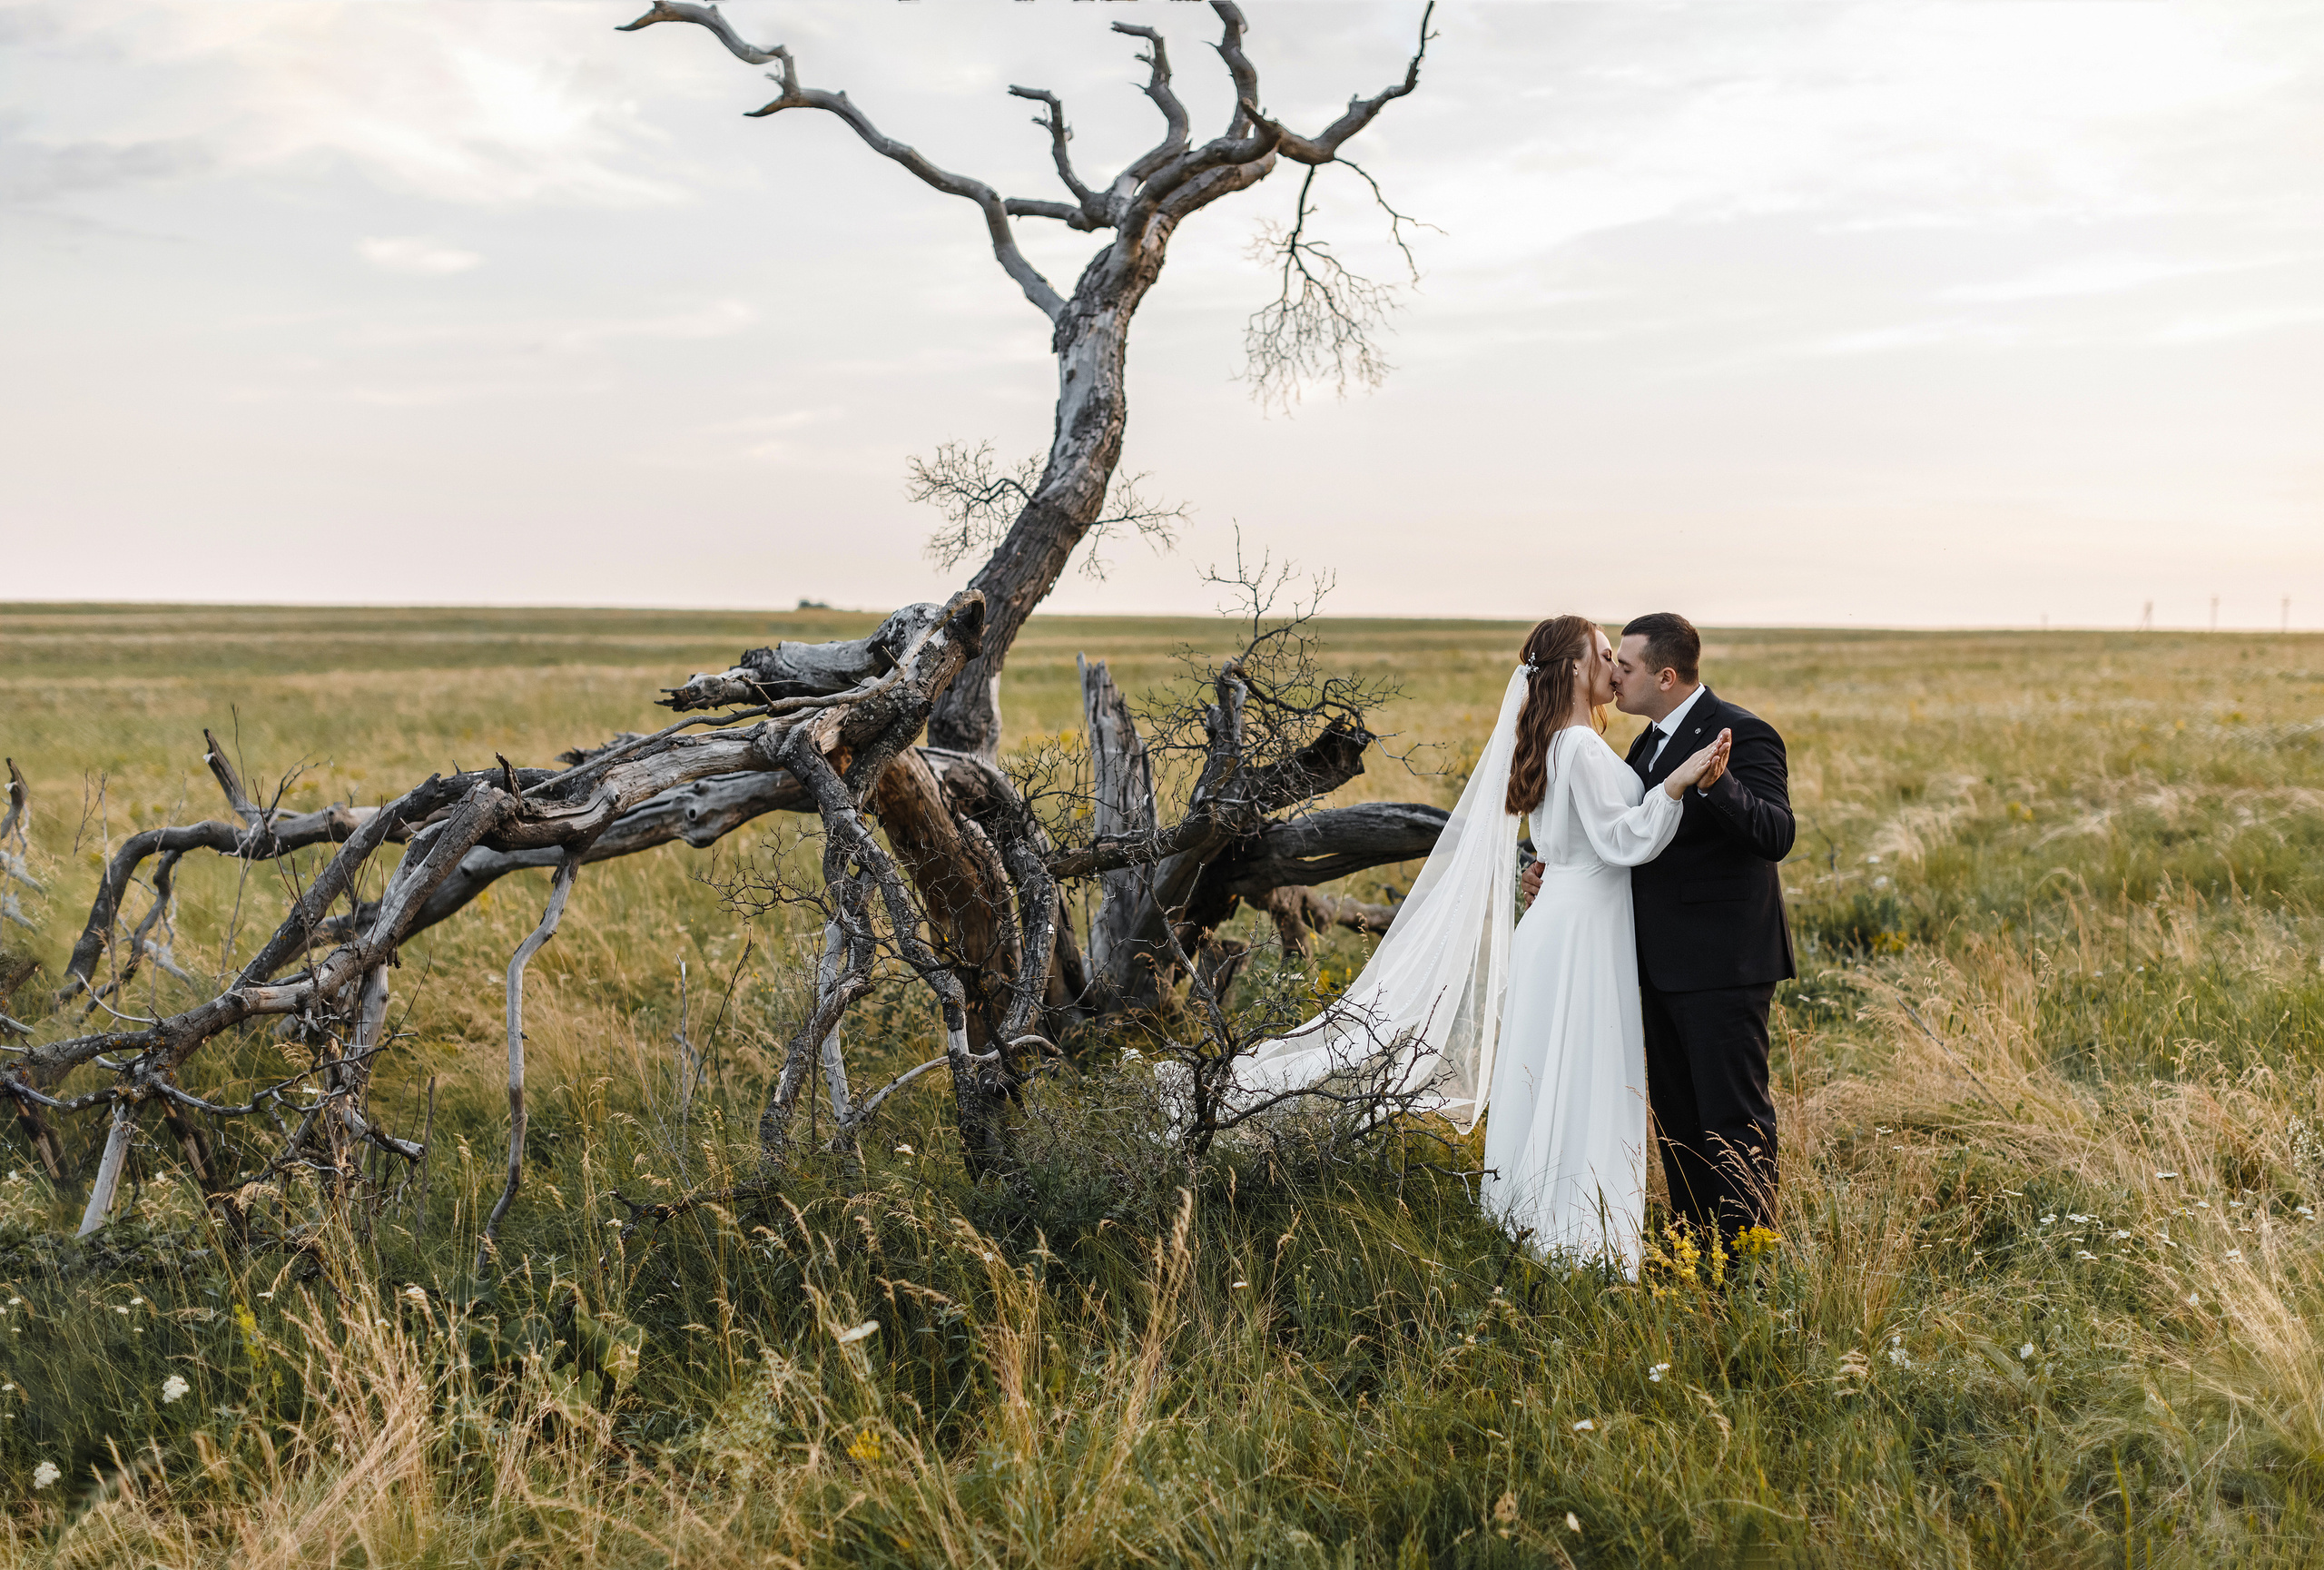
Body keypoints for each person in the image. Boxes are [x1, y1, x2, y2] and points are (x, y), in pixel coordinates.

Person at [1233, 616, 1728, 1277]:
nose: (1615, 666)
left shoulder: (1560, 741)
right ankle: (1578, 1236)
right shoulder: (1579, 747)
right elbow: (1623, 841)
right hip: (1579, 929)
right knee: (1580, 1068)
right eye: (1604, 655)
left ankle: (1542, 1217)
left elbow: (1578, 839)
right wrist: (1675, 783)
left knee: (1560, 1069)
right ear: (1574, 670)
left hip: (1566, 918)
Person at [1524, 612, 1796, 1250]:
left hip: (1722, 967)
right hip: (1654, 965)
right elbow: (1619, 830)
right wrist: (1553, 870)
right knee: (1677, 1121)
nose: (1614, 673)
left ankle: (1747, 1261)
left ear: (1665, 676)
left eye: (1626, 665)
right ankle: (1697, 1249)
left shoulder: (1744, 733)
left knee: (1733, 1119)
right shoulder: (1644, 743)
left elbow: (1776, 834)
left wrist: (1717, 783)